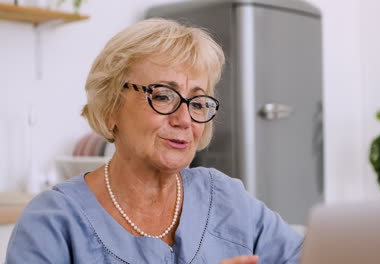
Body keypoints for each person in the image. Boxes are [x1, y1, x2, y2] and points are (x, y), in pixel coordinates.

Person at [6, 18, 303, 263]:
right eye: (163, 96)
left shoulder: (226, 197)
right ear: (111, 107)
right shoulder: (52, 222)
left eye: (198, 102)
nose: (184, 119)